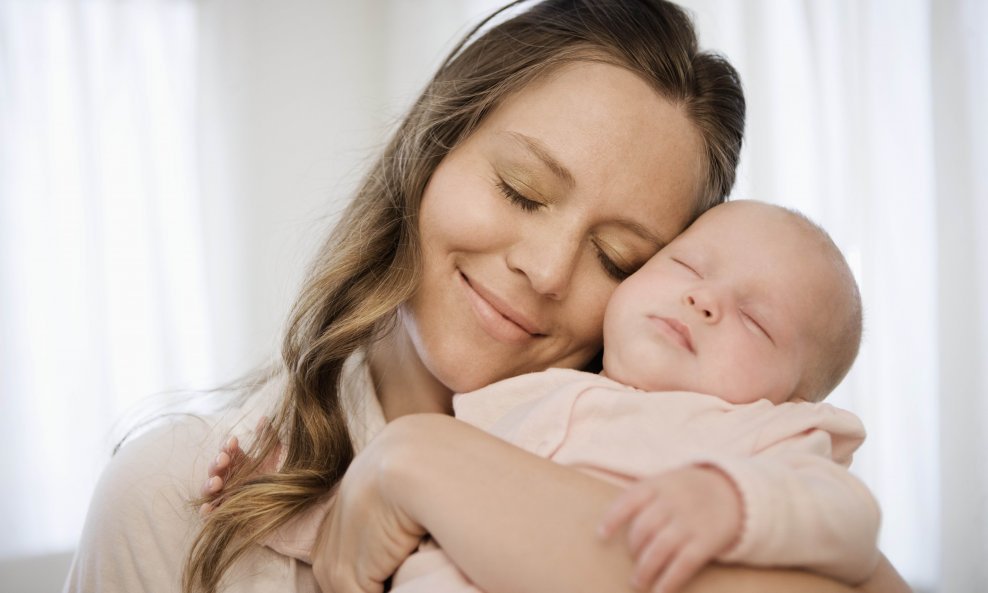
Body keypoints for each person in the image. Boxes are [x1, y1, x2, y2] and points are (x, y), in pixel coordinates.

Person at [64, 1, 910, 592]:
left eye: (617, 257)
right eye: (520, 189)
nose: (544, 269)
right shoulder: (181, 498)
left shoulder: (703, 451)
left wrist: (419, 460)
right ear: (428, 153)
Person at [204, 200, 880, 593]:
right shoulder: (525, 396)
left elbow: (850, 518)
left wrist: (732, 500)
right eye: (686, 267)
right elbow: (395, 525)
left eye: (756, 322)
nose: (705, 299)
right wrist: (277, 500)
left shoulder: (760, 437)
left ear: (793, 399)